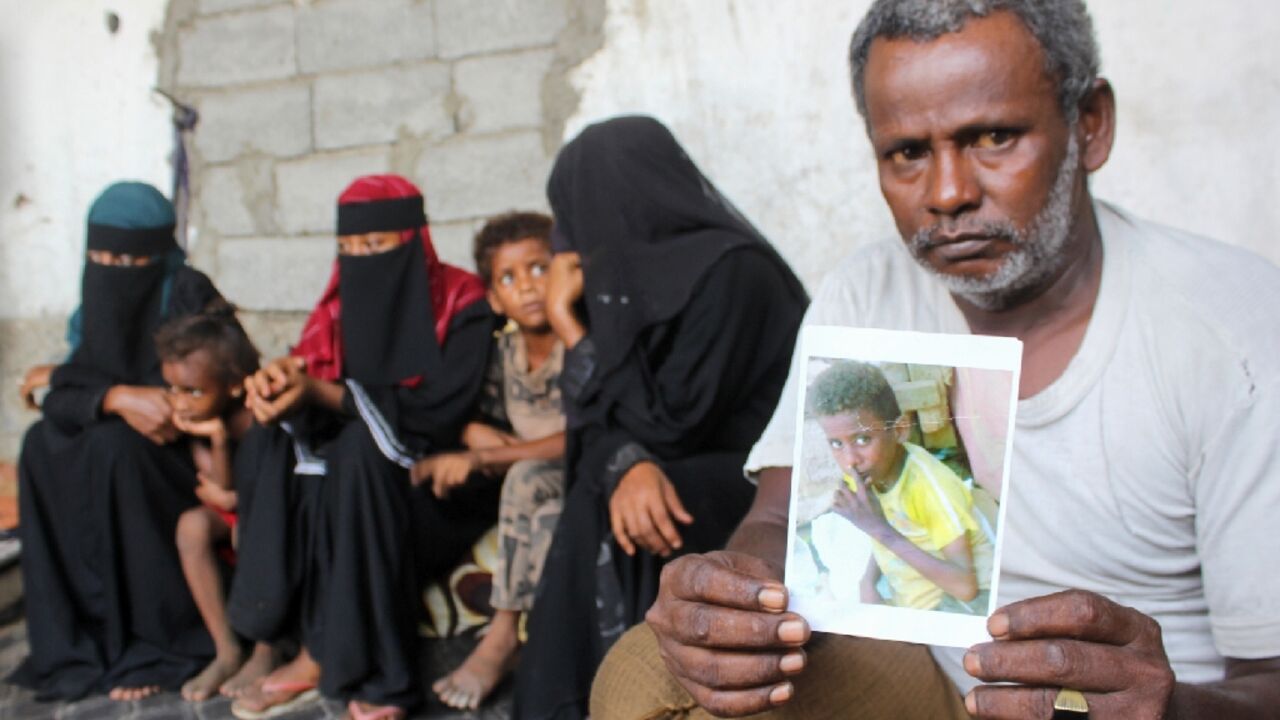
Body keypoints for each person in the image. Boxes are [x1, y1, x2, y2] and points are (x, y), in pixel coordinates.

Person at [595, 2, 1280, 719]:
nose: (948, 194)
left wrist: (1170, 709)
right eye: (907, 154)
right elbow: (776, 519)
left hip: (1145, 707)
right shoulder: (865, 292)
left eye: (994, 137)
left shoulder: (1232, 336)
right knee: (652, 675)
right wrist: (734, 599)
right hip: (934, 679)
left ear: (1090, 124)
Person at [514, 116, 809, 720]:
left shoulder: (734, 273)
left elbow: (673, 424)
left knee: (623, 495)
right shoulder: (626, 286)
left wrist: (570, 329)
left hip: (769, 485)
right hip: (682, 462)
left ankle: (573, 701)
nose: (571, 243)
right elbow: (599, 421)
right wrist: (628, 464)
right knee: (612, 483)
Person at [228, 175, 499, 720]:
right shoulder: (336, 312)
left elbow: (438, 415)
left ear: (413, 240)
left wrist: (321, 392)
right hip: (357, 481)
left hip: (442, 485)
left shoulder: (462, 303)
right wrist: (280, 390)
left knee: (358, 455)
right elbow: (310, 376)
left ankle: (380, 675)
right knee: (276, 440)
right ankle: (285, 638)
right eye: (348, 247)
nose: (360, 259)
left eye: (375, 245)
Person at [12, 181, 223, 701]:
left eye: (128, 261)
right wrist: (116, 397)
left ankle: (152, 643)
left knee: (115, 449)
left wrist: (78, 387)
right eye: (100, 257)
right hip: (115, 432)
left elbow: (194, 395)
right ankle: (76, 644)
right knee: (40, 445)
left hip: (184, 455)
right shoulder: (91, 307)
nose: (111, 270)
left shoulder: (189, 294)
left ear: (158, 256)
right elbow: (63, 395)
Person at [428, 211, 568, 710]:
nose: (527, 286)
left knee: (525, 476)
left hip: (588, 472)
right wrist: (477, 438)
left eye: (539, 268)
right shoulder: (504, 351)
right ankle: (546, 657)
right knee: (545, 515)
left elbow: (585, 436)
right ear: (493, 298)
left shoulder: (578, 340)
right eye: (508, 278)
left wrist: (493, 455)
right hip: (541, 490)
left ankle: (503, 632)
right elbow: (471, 414)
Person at [152, 305, 280, 702]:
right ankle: (227, 649)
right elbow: (219, 486)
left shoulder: (262, 414)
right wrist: (217, 438)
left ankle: (268, 647)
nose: (180, 402)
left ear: (235, 385)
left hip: (272, 514)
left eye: (192, 391)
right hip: (238, 508)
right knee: (192, 527)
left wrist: (233, 492)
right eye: (172, 389)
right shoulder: (202, 420)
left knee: (249, 529)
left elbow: (259, 491)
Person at [809, 360, 992, 614]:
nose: (850, 460)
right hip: (912, 595)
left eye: (862, 439)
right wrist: (867, 582)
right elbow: (889, 529)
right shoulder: (863, 471)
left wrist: (876, 527)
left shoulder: (929, 488)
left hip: (964, 601)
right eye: (836, 444)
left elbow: (965, 587)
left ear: (900, 430)